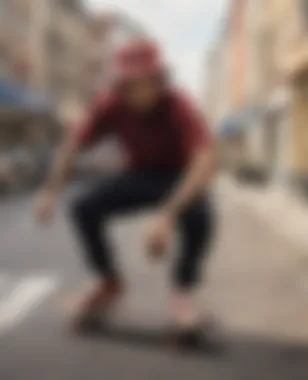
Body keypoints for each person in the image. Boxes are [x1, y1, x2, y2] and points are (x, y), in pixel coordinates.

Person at [35, 38, 217, 331]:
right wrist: (49, 191)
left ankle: (183, 289)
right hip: (139, 176)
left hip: (178, 177)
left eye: (146, 83)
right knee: (83, 207)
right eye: (130, 86)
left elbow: (205, 160)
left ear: (160, 80)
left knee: (202, 215)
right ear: (120, 85)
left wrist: (167, 215)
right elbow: (72, 146)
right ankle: (108, 281)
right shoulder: (109, 104)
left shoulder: (179, 104)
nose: (138, 94)